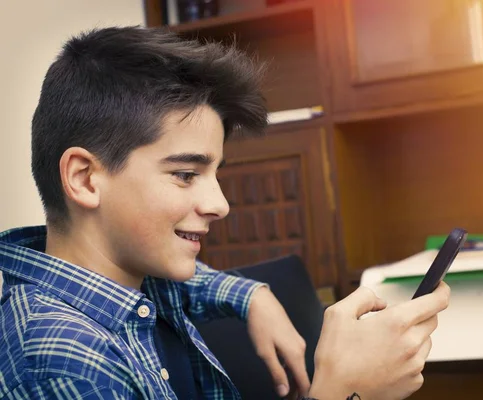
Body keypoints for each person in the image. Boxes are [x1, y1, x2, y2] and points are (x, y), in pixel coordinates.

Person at [0, 26, 450, 399]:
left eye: (215, 173)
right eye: (184, 174)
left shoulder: (133, 272)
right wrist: (346, 391)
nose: (220, 204)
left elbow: (193, 283)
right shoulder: (60, 364)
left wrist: (251, 294)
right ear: (84, 178)